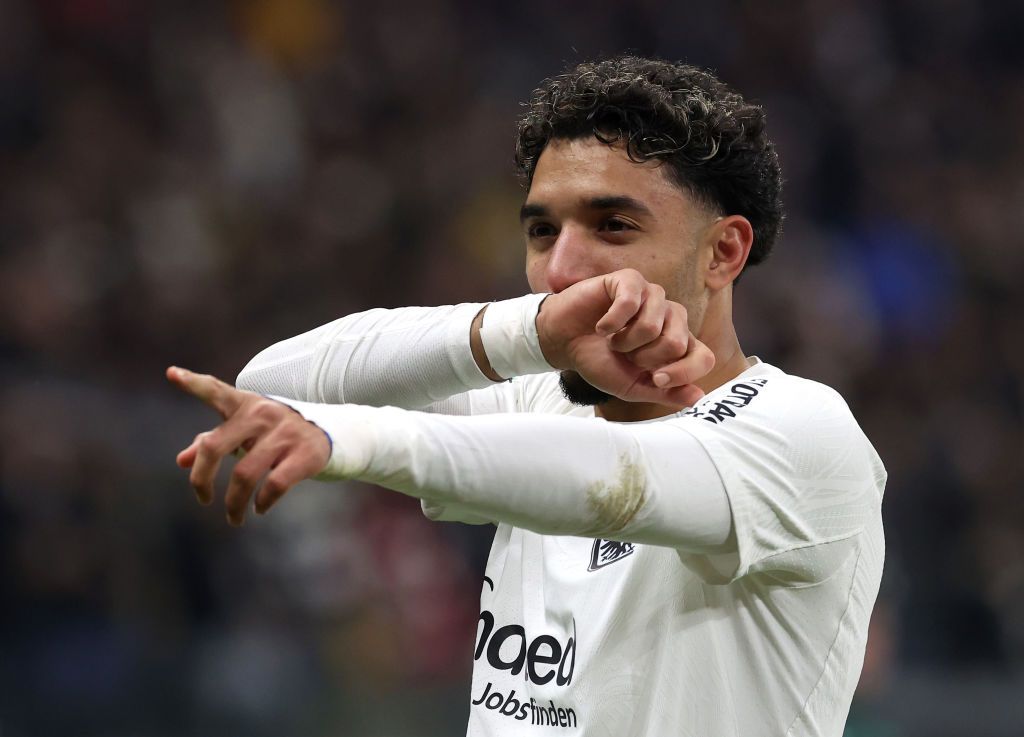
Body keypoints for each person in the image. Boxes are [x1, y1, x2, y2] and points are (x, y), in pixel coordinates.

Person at [169, 56, 886, 737]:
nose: (561, 267)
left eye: (613, 226)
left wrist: (354, 441)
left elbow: (612, 480)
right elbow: (269, 383)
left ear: (723, 252)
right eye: (542, 230)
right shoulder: (537, 400)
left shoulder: (804, 433)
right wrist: (527, 332)